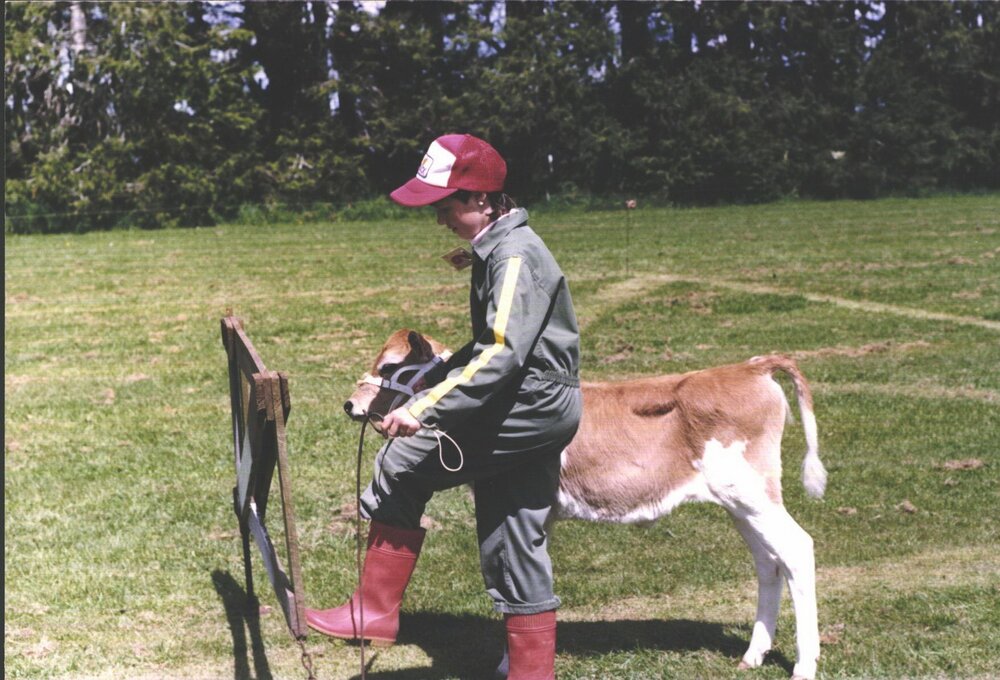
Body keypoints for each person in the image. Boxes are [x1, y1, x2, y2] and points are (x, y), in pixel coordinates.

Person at [305, 133, 582, 680]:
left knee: (403, 464)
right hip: (534, 403)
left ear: (482, 199)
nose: (439, 219)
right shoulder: (496, 248)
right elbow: (488, 344)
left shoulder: (514, 255)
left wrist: (425, 408)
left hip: (528, 404)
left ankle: (374, 611)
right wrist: (434, 375)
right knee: (512, 532)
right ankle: (532, 673)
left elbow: (503, 352)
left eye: (445, 205)